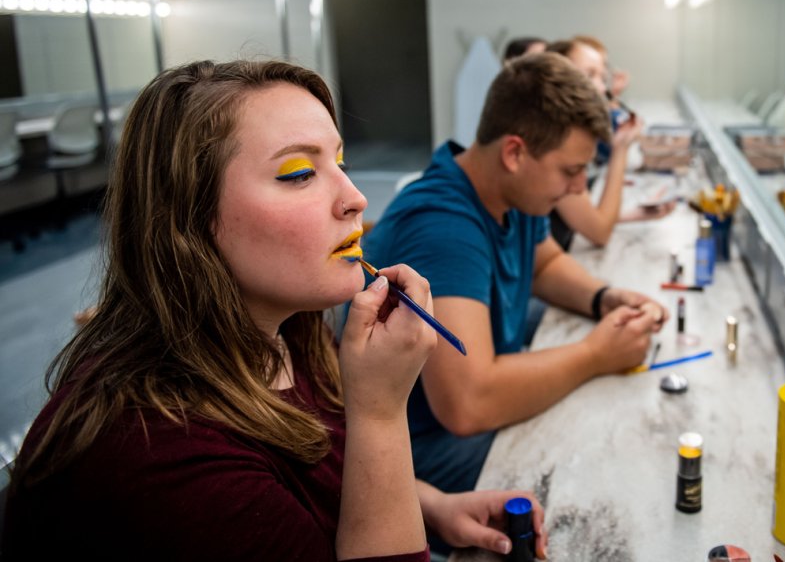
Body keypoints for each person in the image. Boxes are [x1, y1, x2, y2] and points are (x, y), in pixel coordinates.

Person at [1, 60, 547, 561]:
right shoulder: (153, 453)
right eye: (297, 174)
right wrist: (380, 413)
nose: (355, 197)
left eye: (339, 162)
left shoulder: (285, 332)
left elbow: (325, 476)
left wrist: (431, 507)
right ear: (188, 222)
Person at [363, 53, 668, 496]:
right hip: (420, 450)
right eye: (571, 170)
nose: (581, 187)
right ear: (514, 153)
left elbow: (543, 263)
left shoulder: (512, 192)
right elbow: (468, 402)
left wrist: (604, 297)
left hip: (457, 419)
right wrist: (595, 355)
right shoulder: (443, 226)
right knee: (589, 460)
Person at [544, 37, 673, 248]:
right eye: (589, 75)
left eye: (602, 78)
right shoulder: (553, 144)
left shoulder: (568, 133)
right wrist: (620, 149)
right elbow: (599, 233)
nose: (601, 88)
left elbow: (588, 219)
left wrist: (634, 215)